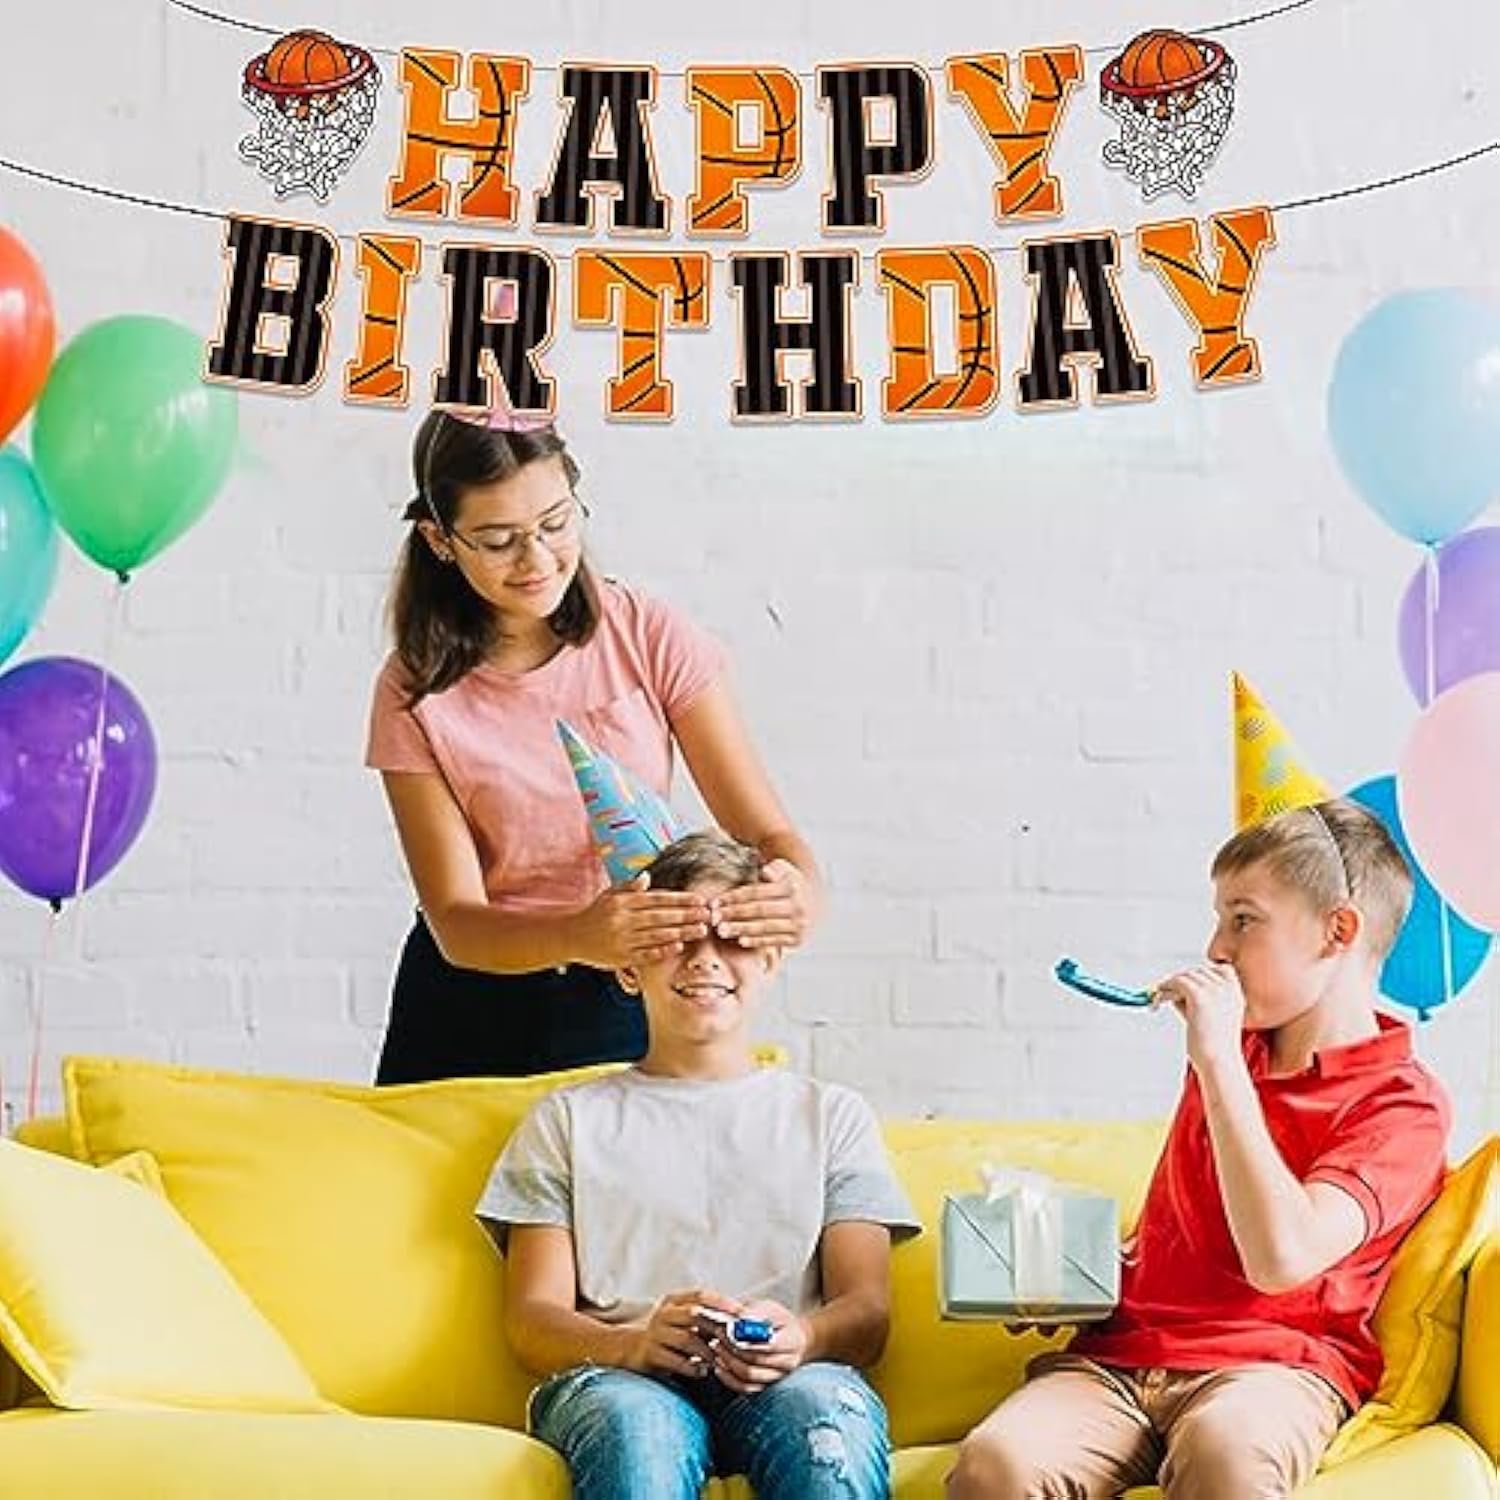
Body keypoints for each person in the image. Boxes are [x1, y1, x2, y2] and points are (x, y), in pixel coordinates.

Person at [949, 798, 1451, 1500]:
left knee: (1227, 1452)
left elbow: (1281, 1259)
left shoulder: (1401, 1106)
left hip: (1274, 1370)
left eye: (1243, 920)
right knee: (995, 1464)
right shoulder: (1229, 1055)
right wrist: (1074, 1280)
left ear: (1337, 931)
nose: (1216, 949)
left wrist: (1217, 1063)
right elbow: (1180, 1242)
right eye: (1219, 920)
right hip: (1119, 1362)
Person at [365, 405, 821, 1083]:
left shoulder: (646, 634)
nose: (537, 559)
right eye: (498, 540)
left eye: (555, 523)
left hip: (628, 987)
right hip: (468, 1005)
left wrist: (796, 891)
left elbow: (768, 834)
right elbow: (457, 924)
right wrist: (576, 934)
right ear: (440, 539)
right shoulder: (413, 691)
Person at [478, 831, 919, 1500]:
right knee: (638, 1429)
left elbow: (867, 1313)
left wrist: (801, 1336)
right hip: (622, 1378)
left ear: (770, 956)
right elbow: (532, 1320)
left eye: (732, 937)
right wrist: (632, 1345)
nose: (705, 958)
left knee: (823, 1417)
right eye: (676, 937)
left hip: (792, 1377)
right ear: (627, 967)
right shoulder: (565, 1121)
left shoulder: (832, 1117)